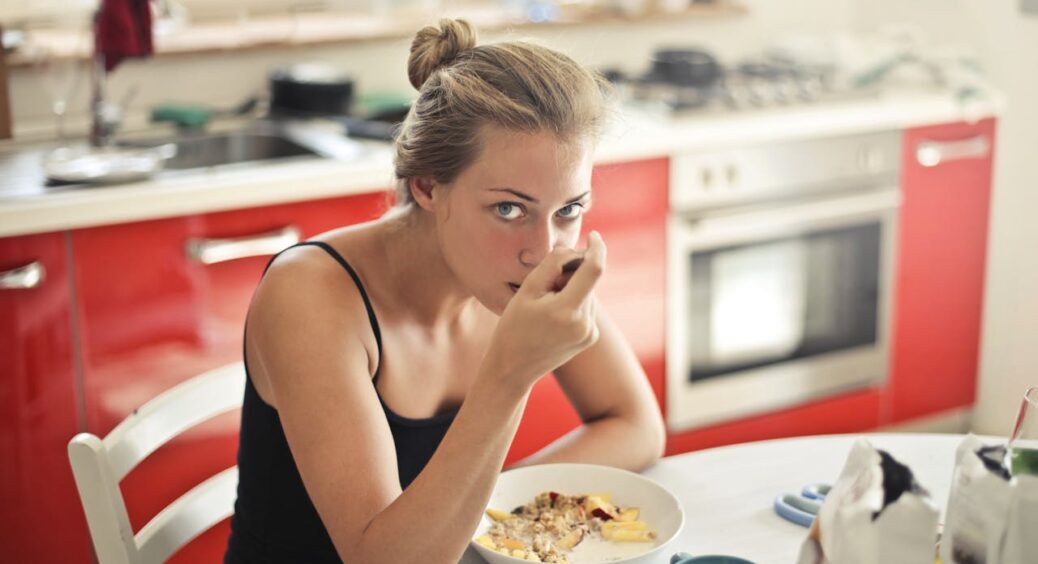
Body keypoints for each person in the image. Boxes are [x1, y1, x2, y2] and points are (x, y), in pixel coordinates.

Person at [224, 18, 665, 563]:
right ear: (429, 186)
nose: (543, 250)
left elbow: (636, 427)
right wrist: (511, 374)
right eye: (509, 209)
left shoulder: (525, 268)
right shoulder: (311, 295)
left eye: (569, 209)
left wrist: (484, 513)